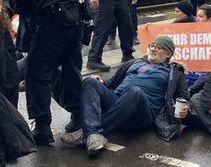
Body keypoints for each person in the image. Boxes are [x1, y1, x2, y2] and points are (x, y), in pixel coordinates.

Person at [9, 0, 89, 145]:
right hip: (74, 19)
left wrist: (18, 9)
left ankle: (42, 126)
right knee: (72, 69)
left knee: (37, 72)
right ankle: (77, 116)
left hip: (47, 22)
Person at [61, 35, 189, 157]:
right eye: (152, 45)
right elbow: (110, 82)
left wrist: (185, 109)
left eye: (159, 47)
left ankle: (86, 133)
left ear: (168, 54)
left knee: (135, 92)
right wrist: (101, 82)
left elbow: (184, 97)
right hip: (118, 102)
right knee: (90, 81)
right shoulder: (135, 63)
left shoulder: (175, 73)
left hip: (142, 113)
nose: (154, 48)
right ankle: (93, 134)